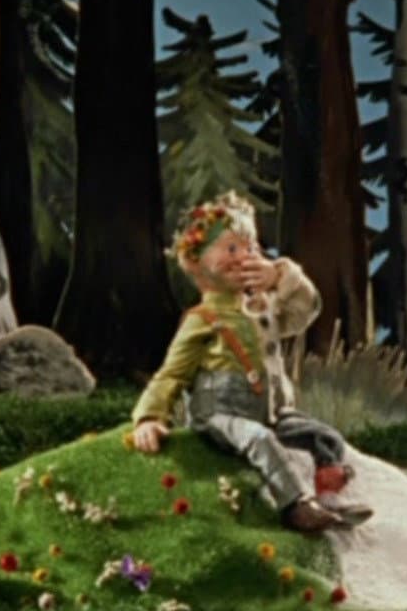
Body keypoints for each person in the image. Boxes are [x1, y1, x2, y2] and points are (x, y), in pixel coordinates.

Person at [129, 190, 371, 533]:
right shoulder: (202, 318)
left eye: (251, 247)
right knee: (260, 439)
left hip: (269, 412)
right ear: (196, 261)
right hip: (219, 416)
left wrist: (281, 277)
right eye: (231, 248)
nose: (244, 256)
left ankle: (330, 498)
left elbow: (306, 310)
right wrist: (150, 418)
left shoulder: (261, 308)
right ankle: (296, 507)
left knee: (325, 437)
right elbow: (171, 375)